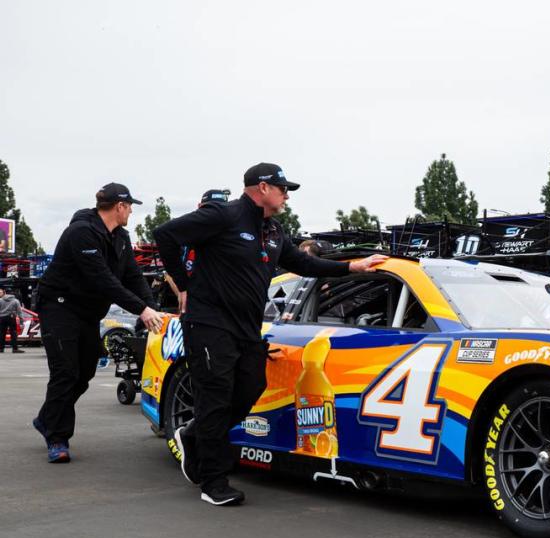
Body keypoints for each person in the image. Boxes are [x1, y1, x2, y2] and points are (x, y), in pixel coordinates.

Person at [155, 163, 387, 506]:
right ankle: (213, 481)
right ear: (262, 188)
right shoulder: (224, 214)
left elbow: (305, 264)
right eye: (282, 188)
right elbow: (165, 234)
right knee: (215, 398)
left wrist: (352, 266)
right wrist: (184, 285)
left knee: (251, 387)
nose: (287, 195)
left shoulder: (274, 230)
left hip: (247, 328)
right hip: (209, 324)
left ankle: (192, 434)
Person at [32, 183, 164, 463]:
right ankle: (57, 438)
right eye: (129, 207)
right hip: (59, 308)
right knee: (65, 372)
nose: (130, 212)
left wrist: (154, 308)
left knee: (84, 373)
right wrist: (141, 310)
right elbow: (103, 280)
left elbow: (132, 276)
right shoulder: (81, 233)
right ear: (119, 206)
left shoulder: (121, 238)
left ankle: (47, 418)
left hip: (87, 313)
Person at [0, 286, 25, 353]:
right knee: (13, 333)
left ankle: (1, 349)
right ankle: (15, 349)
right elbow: (20, 312)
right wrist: (21, 322)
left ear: (5, 292)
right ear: (12, 293)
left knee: (2, 333)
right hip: (11, 318)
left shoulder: (0, 300)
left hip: (2, 318)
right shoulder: (15, 301)